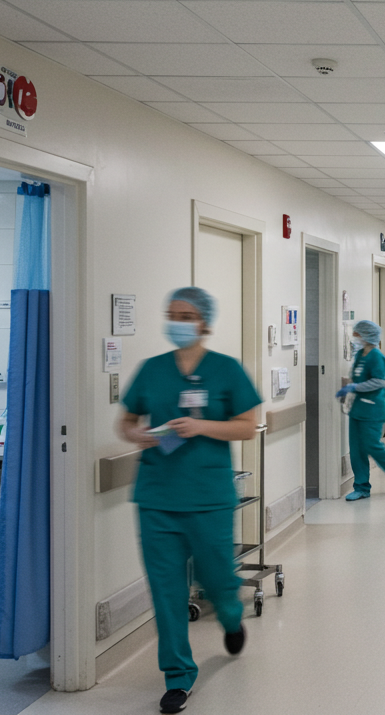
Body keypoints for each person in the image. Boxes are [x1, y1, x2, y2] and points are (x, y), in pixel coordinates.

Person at [117, 287, 261, 714]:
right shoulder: (152, 369)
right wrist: (137, 434)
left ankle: (231, 615)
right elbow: (125, 421)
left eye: (187, 315)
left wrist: (201, 427)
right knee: (166, 591)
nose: (177, 322)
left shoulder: (226, 369)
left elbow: (247, 426)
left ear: (204, 323)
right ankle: (178, 675)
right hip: (157, 497)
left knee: (217, 577)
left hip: (208, 496)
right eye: (172, 314)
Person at [337, 319, 385, 501]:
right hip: (357, 410)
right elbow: (357, 377)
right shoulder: (360, 355)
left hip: (373, 410)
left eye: (357, 333)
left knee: (372, 446)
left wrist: (354, 387)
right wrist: (348, 387)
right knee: (356, 450)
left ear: (367, 335)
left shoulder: (377, 356)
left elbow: (378, 381)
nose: (354, 336)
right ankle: (361, 487)